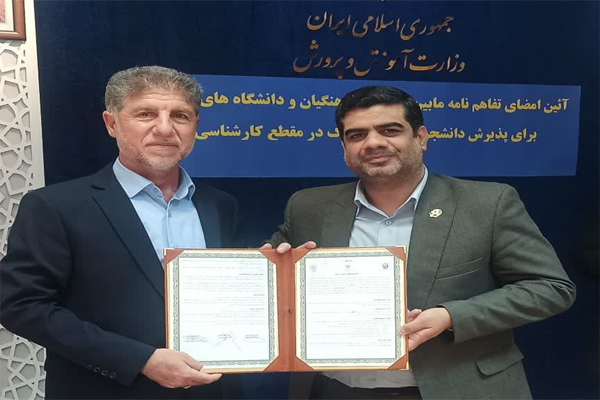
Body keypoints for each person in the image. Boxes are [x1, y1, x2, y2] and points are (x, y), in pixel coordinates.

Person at [268, 86, 576, 400]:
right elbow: (274, 280)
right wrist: (272, 270)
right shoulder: (308, 207)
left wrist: (452, 316)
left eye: (390, 130)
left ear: (421, 137)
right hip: (335, 389)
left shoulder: (487, 204)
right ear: (344, 146)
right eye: (357, 135)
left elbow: (550, 287)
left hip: (457, 389)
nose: (373, 142)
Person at [0, 66, 240, 400]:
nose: (165, 128)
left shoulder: (219, 206)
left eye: (180, 116)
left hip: (212, 391)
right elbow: (22, 306)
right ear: (112, 123)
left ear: (195, 126)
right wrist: (139, 360)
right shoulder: (55, 206)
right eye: (146, 114)